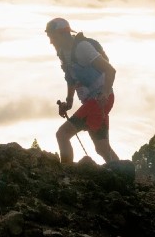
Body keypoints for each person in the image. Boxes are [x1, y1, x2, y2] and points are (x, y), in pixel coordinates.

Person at [46, 17, 120, 165]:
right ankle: (123, 176)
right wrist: (69, 101)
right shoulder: (63, 53)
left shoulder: (82, 48)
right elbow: (71, 79)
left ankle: (67, 175)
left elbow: (110, 70)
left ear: (62, 34)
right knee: (102, 148)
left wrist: (104, 93)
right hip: (95, 102)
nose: (51, 42)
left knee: (63, 134)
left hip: (99, 100)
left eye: (52, 37)